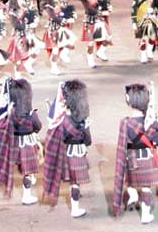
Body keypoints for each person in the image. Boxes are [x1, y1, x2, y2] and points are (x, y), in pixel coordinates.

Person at [109, 83, 158, 224]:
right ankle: (145, 215)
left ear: (129, 101)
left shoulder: (126, 123)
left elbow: (122, 146)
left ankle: (133, 195)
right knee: (146, 188)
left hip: (132, 160)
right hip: (147, 159)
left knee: (130, 180)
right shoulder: (151, 124)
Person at [41, 80, 93, 218]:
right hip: (79, 153)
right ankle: (75, 208)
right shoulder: (83, 120)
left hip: (67, 153)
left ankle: (75, 202)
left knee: (72, 181)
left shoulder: (62, 120)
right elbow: (88, 141)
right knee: (75, 183)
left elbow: (58, 138)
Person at [0, 77, 44, 205]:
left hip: (14, 143)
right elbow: (38, 126)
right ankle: (26, 196)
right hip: (27, 143)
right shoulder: (31, 114)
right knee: (27, 172)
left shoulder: (9, 114)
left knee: (19, 165)